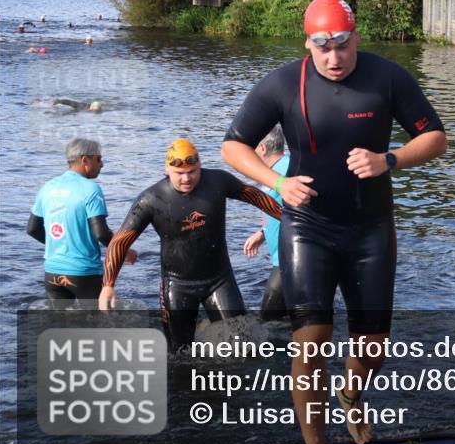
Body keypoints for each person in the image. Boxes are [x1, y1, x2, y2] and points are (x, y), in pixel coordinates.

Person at [221, 0, 447, 444]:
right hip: (307, 229)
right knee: (311, 343)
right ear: (308, 43)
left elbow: (436, 138)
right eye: (322, 46)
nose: (334, 57)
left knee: (373, 348)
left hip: (371, 230)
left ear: (355, 37)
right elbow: (232, 147)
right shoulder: (283, 83)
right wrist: (278, 182)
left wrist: (389, 159)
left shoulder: (387, 77)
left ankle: (351, 392)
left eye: (342, 45)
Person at [99, 139, 282, 352]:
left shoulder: (218, 181)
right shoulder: (151, 199)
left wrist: (288, 217)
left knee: (242, 343)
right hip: (177, 285)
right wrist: (108, 286)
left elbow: (255, 196)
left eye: (192, 171)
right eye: (179, 173)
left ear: (200, 165)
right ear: (167, 170)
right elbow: (121, 241)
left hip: (220, 280)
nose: (187, 178)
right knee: (179, 352)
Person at [28, 138, 135, 307]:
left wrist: (61, 245)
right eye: (98, 159)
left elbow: (33, 229)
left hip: (52, 272)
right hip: (84, 273)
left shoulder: (47, 187)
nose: (102, 164)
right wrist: (123, 250)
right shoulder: (90, 189)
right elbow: (101, 233)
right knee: (101, 325)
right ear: (85, 159)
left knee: (60, 327)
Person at [242, 125, 290, 321]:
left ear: (261, 148)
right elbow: (283, 208)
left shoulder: (287, 169)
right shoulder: (272, 172)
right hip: (283, 259)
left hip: (289, 261)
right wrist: (262, 233)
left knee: (267, 322)